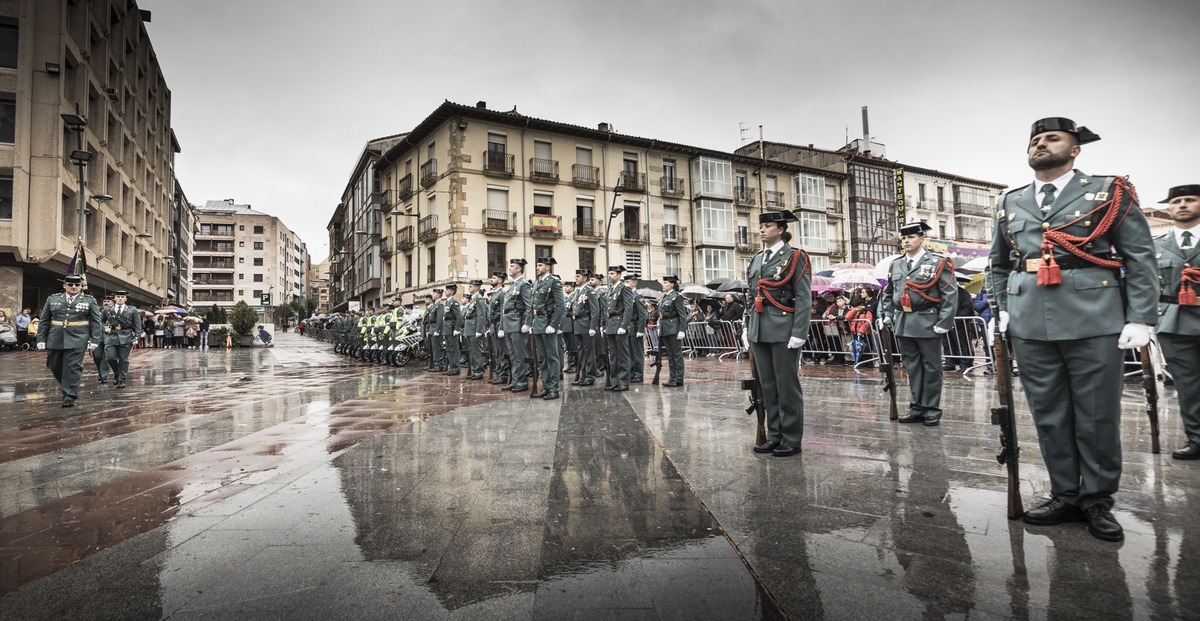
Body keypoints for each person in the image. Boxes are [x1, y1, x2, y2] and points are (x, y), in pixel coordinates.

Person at [989, 117, 1157, 542]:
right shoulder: (1010, 201)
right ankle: (1065, 493)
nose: (1040, 145)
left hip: (1093, 316)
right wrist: (1002, 309)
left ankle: (1097, 498)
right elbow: (999, 263)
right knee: (1049, 414)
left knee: (1097, 415)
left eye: (1052, 138)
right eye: (1035, 139)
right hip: (1029, 320)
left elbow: (1139, 257)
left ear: (1075, 148)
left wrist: (1141, 317)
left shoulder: (1107, 191)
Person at [744, 211, 811, 457]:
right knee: (767, 386)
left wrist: (799, 332)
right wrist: (747, 327)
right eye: (761, 226)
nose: (762, 230)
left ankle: (791, 438)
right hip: (759, 329)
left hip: (784, 328)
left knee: (786, 385)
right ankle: (774, 435)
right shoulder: (757, 259)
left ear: (781, 229)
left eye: (768, 226)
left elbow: (804, 296)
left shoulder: (795, 257)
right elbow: (751, 297)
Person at [878, 221, 957, 425]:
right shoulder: (896, 263)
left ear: (922, 239)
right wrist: (887, 314)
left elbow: (950, 293)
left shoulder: (938, 262)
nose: (906, 241)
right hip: (903, 322)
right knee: (912, 368)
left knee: (931, 368)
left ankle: (931, 409)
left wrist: (944, 321)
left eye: (911, 237)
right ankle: (916, 408)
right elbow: (889, 293)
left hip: (928, 321)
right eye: (903, 238)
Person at [1152, 184, 1200, 460]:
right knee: (1189, 386)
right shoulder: (1156, 245)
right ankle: (1196, 439)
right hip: (1174, 322)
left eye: (1189, 200)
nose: (1182, 205)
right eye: (1176, 201)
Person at [37, 274, 102, 407]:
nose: (74, 287)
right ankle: (67, 385)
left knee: (72, 367)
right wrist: (41, 338)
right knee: (54, 365)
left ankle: (69, 395)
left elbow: (96, 322)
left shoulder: (89, 301)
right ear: (64, 285)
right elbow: (44, 321)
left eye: (77, 285)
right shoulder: (52, 299)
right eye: (70, 284)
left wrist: (95, 339)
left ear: (80, 286)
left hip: (78, 338)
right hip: (55, 337)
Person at [530, 257, 566, 399]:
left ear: (548, 267)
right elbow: (533, 306)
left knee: (552, 358)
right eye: (537, 265)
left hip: (548, 323)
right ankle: (546, 387)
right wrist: (531, 323)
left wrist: (554, 325)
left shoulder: (554, 282)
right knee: (542, 359)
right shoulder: (536, 283)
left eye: (540, 265)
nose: (537, 267)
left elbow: (560, 305)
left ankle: (554, 389)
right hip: (538, 323)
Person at [499, 259, 533, 392]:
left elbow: (529, 305)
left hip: (517, 323)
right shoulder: (512, 285)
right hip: (509, 324)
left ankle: (522, 382)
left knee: (520, 355)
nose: (510, 268)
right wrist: (502, 326)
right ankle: (515, 380)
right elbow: (504, 309)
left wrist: (527, 323)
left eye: (512, 266)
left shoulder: (523, 284)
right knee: (512, 355)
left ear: (519, 269)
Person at [603, 265, 635, 392]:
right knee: (614, 356)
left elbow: (628, 308)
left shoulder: (624, 289)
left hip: (619, 324)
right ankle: (615, 381)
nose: (609, 276)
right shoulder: (610, 290)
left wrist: (624, 325)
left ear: (619, 275)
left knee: (622, 355)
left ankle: (623, 382)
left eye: (612, 274)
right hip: (611, 325)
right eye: (609, 273)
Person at [102, 290, 143, 388]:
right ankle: (117, 373)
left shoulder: (132, 310)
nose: (120, 298)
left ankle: (121, 379)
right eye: (118, 297)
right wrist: (105, 327)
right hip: (111, 336)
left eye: (122, 297)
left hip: (126, 336)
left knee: (123, 359)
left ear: (126, 299)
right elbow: (101, 321)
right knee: (110, 357)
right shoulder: (108, 310)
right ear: (114, 298)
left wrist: (137, 337)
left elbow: (138, 325)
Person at [569, 269, 601, 386]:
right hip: (577, 324)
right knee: (581, 352)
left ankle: (590, 376)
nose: (576, 278)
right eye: (575, 276)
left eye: (578, 276)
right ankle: (583, 375)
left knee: (589, 352)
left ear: (585, 278)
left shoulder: (590, 291)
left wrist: (593, 327)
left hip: (586, 324)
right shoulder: (578, 292)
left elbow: (595, 310)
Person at [658, 275, 689, 386]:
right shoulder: (664, 297)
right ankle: (672, 378)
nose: (663, 284)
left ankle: (679, 379)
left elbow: (682, 315)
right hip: (665, 328)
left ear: (672, 284)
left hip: (673, 328)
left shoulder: (677, 297)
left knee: (677, 355)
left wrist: (682, 330)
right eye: (663, 282)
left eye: (665, 282)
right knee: (670, 355)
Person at [487, 272, 511, 385]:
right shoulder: (495, 294)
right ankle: (499, 374)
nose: (492, 279)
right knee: (496, 351)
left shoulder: (502, 293)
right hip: (493, 325)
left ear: (500, 280)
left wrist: (502, 327)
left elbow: (503, 311)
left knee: (502, 351)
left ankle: (503, 375)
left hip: (498, 325)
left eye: (494, 278)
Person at [463, 280, 489, 380]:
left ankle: (479, 371)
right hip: (470, 328)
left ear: (477, 288)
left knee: (477, 351)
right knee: (472, 351)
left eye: (471, 286)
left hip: (475, 328)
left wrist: (479, 330)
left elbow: (481, 315)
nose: (469, 288)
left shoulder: (479, 299)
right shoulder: (472, 299)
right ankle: (475, 370)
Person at [626, 273, 648, 382]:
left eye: (627, 282)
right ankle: (631, 373)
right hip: (628, 328)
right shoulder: (627, 296)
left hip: (635, 327)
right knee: (629, 353)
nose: (625, 284)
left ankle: (638, 374)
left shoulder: (638, 296)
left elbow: (643, 315)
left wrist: (640, 330)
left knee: (637, 353)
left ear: (634, 283)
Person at [442, 283, 463, 376]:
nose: (445, 291)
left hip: (451, 327)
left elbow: (459, 316)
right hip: (447, 327)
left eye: (447, 290)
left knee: (454, 348)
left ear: (452, 291)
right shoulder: (447, 301)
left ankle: (456, 368)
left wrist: (457, 328)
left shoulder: (454, 302)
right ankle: (452, 367)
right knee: (449, 348)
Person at [93, 295, 114, 384]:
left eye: (108, 301)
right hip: (98, 338)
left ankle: (103, 375)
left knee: (106, 357)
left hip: (110, 338)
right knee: (97, 357)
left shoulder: (116, 312)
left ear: (113, 302)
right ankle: (100, 372)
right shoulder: (98, 311)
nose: (106, 303)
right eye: (104, 301)